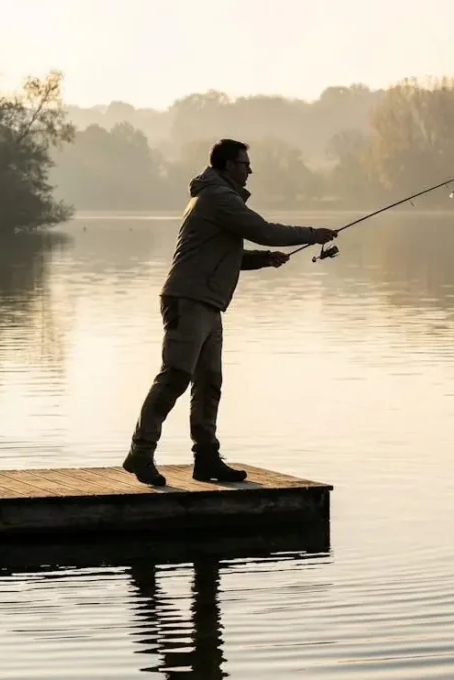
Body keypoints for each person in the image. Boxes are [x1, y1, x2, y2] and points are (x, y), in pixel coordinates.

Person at [122, 139, 338, 486]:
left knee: (209, 383)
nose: (250, 170)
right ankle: (141, 452)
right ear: (226, 166)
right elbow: (263, 230)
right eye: (244, 164)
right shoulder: (218, 198)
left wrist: (263, 260)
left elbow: (222, 254)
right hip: (188, 300)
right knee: (175, 378)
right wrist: (314, 235)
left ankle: (206, 458)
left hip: (207, 302)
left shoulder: (218, 198)